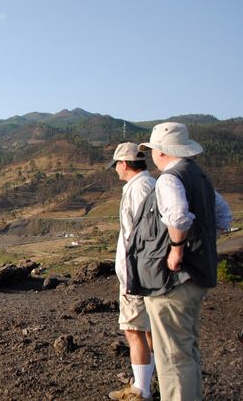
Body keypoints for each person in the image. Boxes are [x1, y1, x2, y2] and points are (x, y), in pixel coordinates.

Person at [135, 122, 232, 400]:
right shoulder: (199, 177)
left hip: (173, 280)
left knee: (172, 357)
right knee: (188, 349)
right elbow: (223, 217)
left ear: (162, 151)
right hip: (198, 276)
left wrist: (177, 249)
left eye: (153, 150)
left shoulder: (169, 178)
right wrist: (201, 245)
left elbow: (177, 216)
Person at [107, 143, 156, 401]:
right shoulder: (150, 185)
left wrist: (133, 274)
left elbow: (141, 235)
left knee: (133, 330)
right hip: (146, 273)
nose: (115, 170)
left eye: (116, 164)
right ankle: (146, 383)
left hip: (136, 274)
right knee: (147, 329)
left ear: (124, 164)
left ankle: (141, 390)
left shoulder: (138, 189)